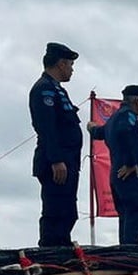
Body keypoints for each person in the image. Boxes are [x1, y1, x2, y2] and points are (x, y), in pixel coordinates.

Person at [29, 42, 82, 247]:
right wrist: (56, 159)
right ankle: (51, 250)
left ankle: (62, 246)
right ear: (60, 64)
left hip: (69, 161)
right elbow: (46, 127)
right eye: (70, 64)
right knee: (56, 210)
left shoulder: (57, 90)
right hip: (56, 162)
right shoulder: (44, 90)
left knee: (68, 210)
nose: (71, 69)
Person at [88, 85, 138, 245]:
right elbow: (125, 133)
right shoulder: (127, 117)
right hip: (131, 177)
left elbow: (100, 133)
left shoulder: (116, 118)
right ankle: (131, 253)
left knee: (127, 217)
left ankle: (127, 249)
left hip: (119, 177)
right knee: (134, 217)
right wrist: (131, 162)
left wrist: (92, 128)